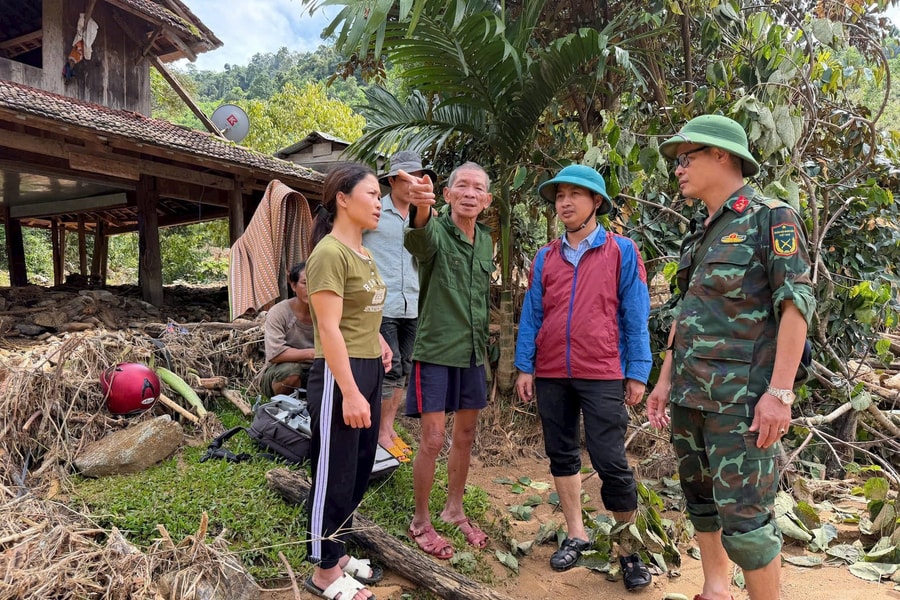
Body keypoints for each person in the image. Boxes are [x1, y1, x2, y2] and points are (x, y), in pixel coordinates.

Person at [646, 115, 816, 600]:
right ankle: (716, 589)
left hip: (741, 404)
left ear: (722, 155)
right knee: (701, 502)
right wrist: (664, 381)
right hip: (690, 395)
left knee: (747, 521)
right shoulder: (701, 230)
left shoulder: (771, 217)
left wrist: (779, 395)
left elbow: (796, 305)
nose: (678, 168)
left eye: (687, 157)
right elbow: (688, 313)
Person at [513, 164, 653, 590]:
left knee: (611, 460)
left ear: (597, 203)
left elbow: (635, 314)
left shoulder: (622, 251)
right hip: (552, 370)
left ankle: (628, 550)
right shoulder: (545, 256)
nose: (565, 203)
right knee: (561, 453)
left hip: (603, 370)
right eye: (559, 196)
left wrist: (638, 371)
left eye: (575, 194)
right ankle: (576, 533)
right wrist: (525, 366)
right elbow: (533, 314)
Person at [304, 164, 393, 600]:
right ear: (343, 197)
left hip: (368, 366)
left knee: (358, 468)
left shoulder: (363, 252)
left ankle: (338, 553)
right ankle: (323, 571)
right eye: (373, 194)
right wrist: (352, 391)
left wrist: (377, 340)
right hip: (342, 376)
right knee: (333, 470)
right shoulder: (329, 253)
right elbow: (328, 328)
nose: (380, 203)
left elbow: (357, 314)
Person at [402, 162, 493, 560]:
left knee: (466, 435)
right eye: (462, 186)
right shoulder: (436, 228)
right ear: (449, 194)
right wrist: (421, 207)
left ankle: (453, 509)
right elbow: (419, 237)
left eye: (478, 188)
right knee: (433, 438)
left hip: (473, 352)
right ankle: (421, 521)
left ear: (486, 200)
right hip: (436, 350)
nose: (470, 193)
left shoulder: (487, 241)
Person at [363, 150, 437, 460]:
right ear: (392, 180)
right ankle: (379, 433)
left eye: (418, 176)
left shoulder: (426, 216)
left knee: (404, 368)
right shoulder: (375, 211)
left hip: (413, 305)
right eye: (407, 177)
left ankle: (388, 429)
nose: (414, 183)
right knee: (388, 370)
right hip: (381, 303)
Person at [260, 262, 314, 398]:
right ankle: (283, 406)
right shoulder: (279, 312)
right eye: (305, 283)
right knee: (290, 371)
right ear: (293, 285)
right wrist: (313, 354)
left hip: (315, 369)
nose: (312, 288)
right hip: (280, 371)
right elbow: (275, 354)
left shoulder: (329, 312)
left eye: (317, 282)